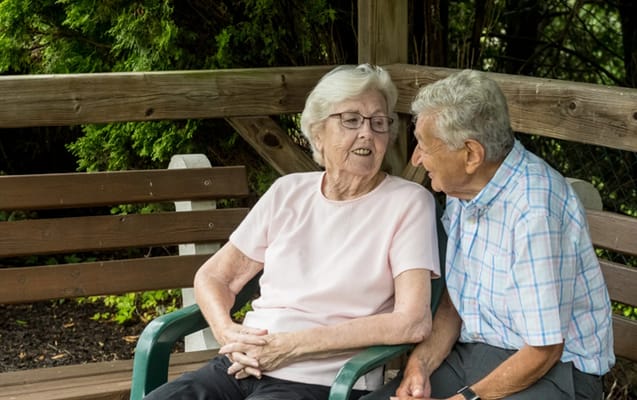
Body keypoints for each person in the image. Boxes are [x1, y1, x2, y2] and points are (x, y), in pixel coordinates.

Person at [144, 64, 441, 400]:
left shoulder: (408, 202)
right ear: (318, 134)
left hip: (325, 381)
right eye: (352, 120)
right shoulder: (289, 192)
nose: (368, 133)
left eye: (379, 122)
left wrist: (290, 346)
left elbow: (412, 320)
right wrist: (227, 333)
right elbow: (214, 277)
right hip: (239, 365)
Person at [363, 69, 615, 400]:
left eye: (424, 145)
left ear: (471, 155)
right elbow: (455, 301)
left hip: (556, 373)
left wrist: (465, 399)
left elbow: (545, 349)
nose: (416, 158)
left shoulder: (533, 211)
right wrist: (419, 366)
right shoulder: (463, 190)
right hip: (479, 355)